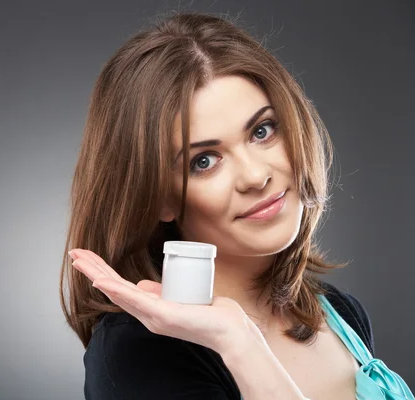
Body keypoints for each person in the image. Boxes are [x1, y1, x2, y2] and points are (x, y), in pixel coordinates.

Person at [58, 12, 414, 400]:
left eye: (262, 131)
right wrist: (238, 343)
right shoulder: (141, 353)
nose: (255, 176)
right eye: (204, 161)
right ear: (158, 199)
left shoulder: (340, 312)